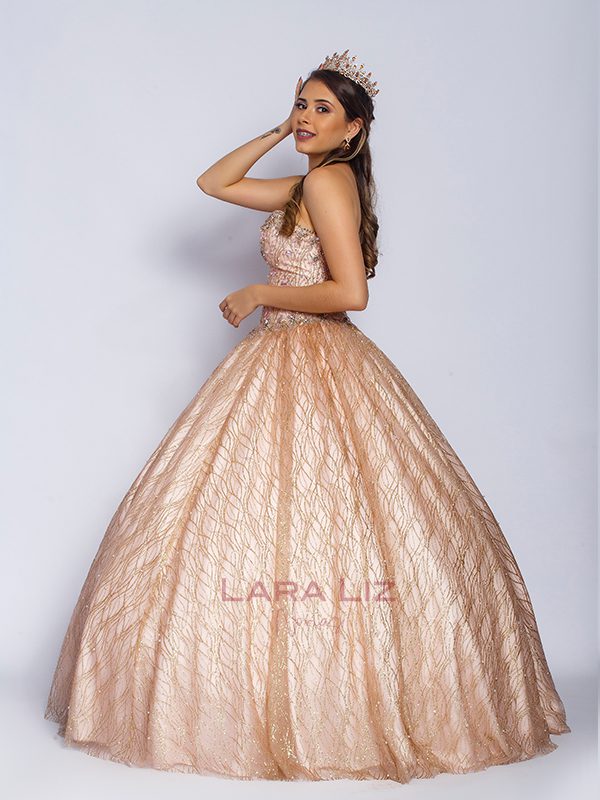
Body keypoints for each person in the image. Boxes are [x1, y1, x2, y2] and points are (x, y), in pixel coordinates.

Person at [44, 50, 571, 783]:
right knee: (293, 516)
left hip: (313, 355)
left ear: (354, 129)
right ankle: (298, 694)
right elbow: (214, 183)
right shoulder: (308, 182)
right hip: (280, 357)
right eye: (302, 103)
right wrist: (278, 128)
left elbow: (351, 293)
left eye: (323, 109)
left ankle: (317, 703)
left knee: (308, 516)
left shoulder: (325, 183)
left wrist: (261, 292)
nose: (306, 116)